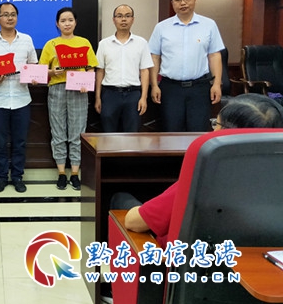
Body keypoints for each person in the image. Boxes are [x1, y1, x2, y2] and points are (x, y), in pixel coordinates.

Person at [114, 93, 283, 248]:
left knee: (120, 199)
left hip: (179, 264)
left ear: (227, 134)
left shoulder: (207, 180)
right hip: (251, 265)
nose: (212, 129)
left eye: (216, 124)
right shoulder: (274, 184)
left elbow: (134, 222)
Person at [148, 0, 225, 132]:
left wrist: (216, 84)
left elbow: (214, 55)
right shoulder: (162, 27)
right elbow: (154, 57)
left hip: (199, 88)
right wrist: (154, 85)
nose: (182, 3)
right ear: (172, 3)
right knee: (171, 131)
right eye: (177, 0)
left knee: (198, 130)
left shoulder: (209, 25)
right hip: (171, 89)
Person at [0, 2, 38, 193]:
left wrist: (34, 77)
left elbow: (33, 65)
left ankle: (18, 176)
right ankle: (1, 177)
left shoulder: (27, 40)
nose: (10, 18)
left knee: (20, 142)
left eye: (13, 14)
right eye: (5, 15)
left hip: (22, 99)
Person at [39, 7, 98, 190]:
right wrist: (53, 72)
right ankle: (61, 173)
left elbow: (91, 68)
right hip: (57, 89)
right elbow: (42, 71)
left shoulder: (84, 42)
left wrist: (87, 82)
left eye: (70, 20)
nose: (67, 23)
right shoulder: (51, 44)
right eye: (63, 21)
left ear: (75, 22)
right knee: (58, 133)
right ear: (57, 24)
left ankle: (74, 173)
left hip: (78, 90)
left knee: (77, 133)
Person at [94, 4, 153, 132]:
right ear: (113, 20)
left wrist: (144, 97)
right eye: (119, 16)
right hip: (110, 94)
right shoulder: (104, 44)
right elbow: (100, 71)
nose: (124, 19)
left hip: (133, 95)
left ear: (133, 19)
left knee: (132, 134)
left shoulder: (141, 43)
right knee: (108, 133)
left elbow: (144, 71)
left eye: (127, 16)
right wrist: (98, 98)